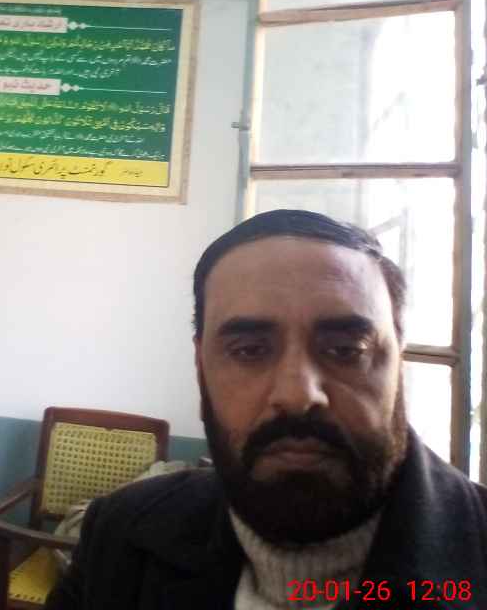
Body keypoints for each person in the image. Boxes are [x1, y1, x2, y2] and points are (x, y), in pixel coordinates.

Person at [45, 209, 487, 609]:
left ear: (399, 361)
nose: (297, 396)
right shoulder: (120, 538)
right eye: (250, 350)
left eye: (345, 350)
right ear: (201, 367)